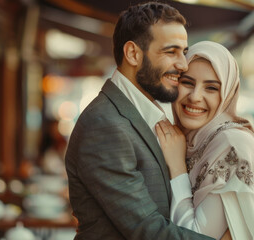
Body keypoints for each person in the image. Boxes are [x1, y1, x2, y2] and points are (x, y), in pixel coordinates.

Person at [65, 2, 213, 240]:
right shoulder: (104, 125)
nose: (183, 65)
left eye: (183, 52)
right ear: (133, 53)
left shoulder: (142, 113)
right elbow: (148, 231)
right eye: (170, 51)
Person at [156, 41, 254, 239]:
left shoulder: (231, 145)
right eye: (187, 82)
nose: (195, 96)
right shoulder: (187, 141)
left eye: (211, 88)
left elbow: (193, 235)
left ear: (227, 95)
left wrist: (177, 167)